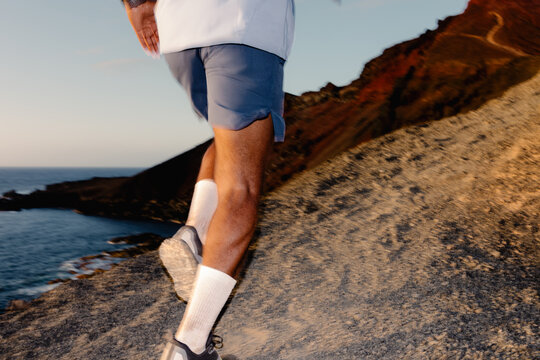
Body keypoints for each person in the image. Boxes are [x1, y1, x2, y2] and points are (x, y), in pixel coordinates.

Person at [122, 0, 295, 359]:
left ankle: (195, 232)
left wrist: (135, 4)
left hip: (179, 34)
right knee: (241, 188)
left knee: (230, 139)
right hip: (244, 26)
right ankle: (190, 345)